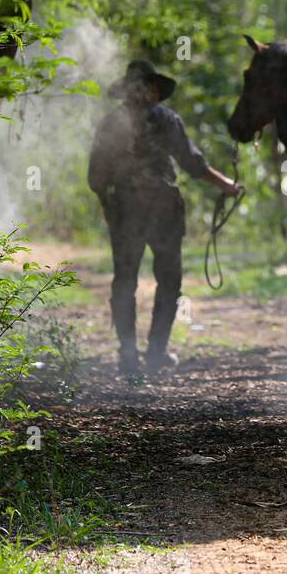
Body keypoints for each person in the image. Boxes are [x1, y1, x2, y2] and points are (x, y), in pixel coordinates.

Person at [88, 59, 241, 373]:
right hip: (163, 208)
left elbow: (95, 176)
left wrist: (108, 205)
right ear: (151, 90)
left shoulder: (110, 122)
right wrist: (225, 184)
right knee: (168, 280)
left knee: (126, 280)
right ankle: (154, 352)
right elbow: (193, 164)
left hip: (128, 209)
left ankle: (129, 354)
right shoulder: (167, 119)